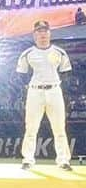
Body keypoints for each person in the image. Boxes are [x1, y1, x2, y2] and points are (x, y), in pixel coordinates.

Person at [16, 20, 73, 171]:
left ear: (50, 33)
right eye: (39, 32)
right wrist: (26, 91)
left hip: (55, 89)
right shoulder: (27, 54)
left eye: (45, 31)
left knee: (59, 128)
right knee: (31, 127)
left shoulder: (59, 52)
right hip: (35, 91)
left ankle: (63, 160)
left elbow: (66, 74)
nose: (43, 34)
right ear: (34, 35)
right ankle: (27, 159)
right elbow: (20, 76)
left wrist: (64, 94)